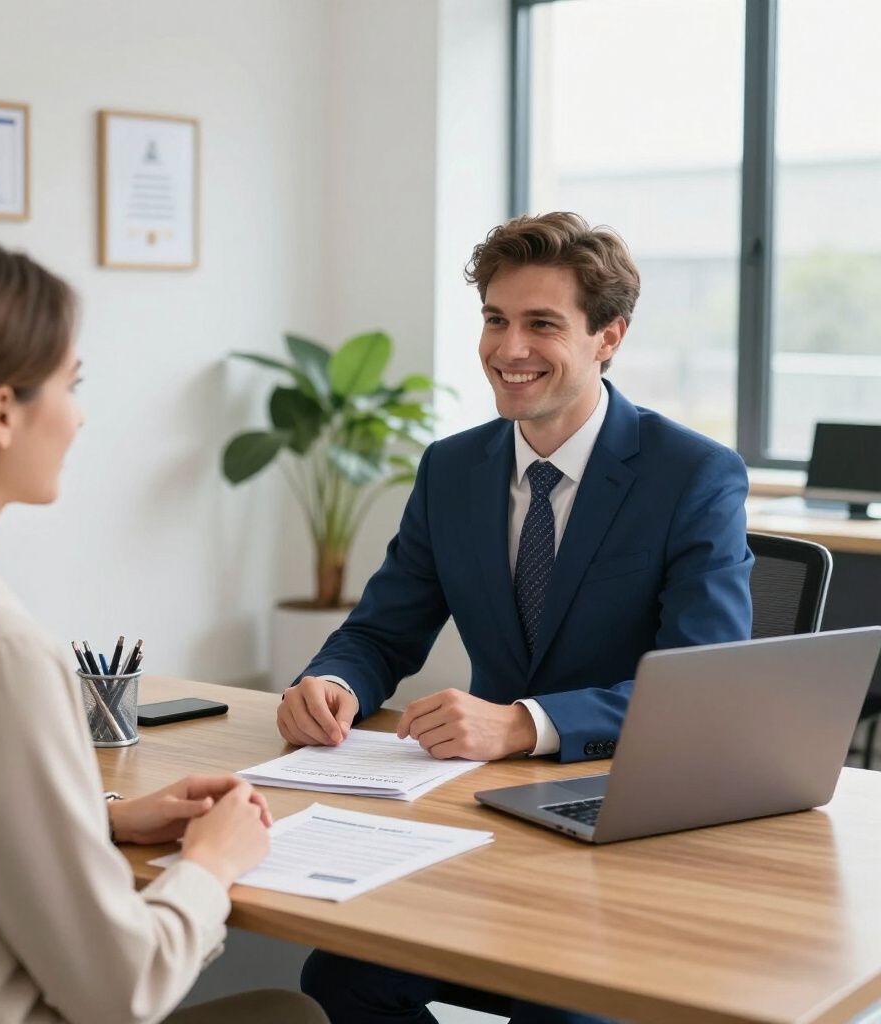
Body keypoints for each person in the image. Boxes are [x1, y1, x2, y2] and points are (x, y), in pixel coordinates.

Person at [279, 212, 753, 1024]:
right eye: (496, 319)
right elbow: (382, 632)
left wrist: (524, 723)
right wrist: (332, 681)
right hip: (480, 813)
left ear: (609, 337)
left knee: (560, 1008)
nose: (509, 348)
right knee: (341, 975)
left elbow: (702, 691)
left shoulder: (692, 474)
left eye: (542, 324)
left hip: (626, 820)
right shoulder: (453, 468)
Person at [0, 239, 326, 1024]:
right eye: (71, 385)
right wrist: (212, 862)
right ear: (1, 413)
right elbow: (122, 989)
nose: (78, 416)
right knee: (289, 1014)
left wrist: (95, 822)